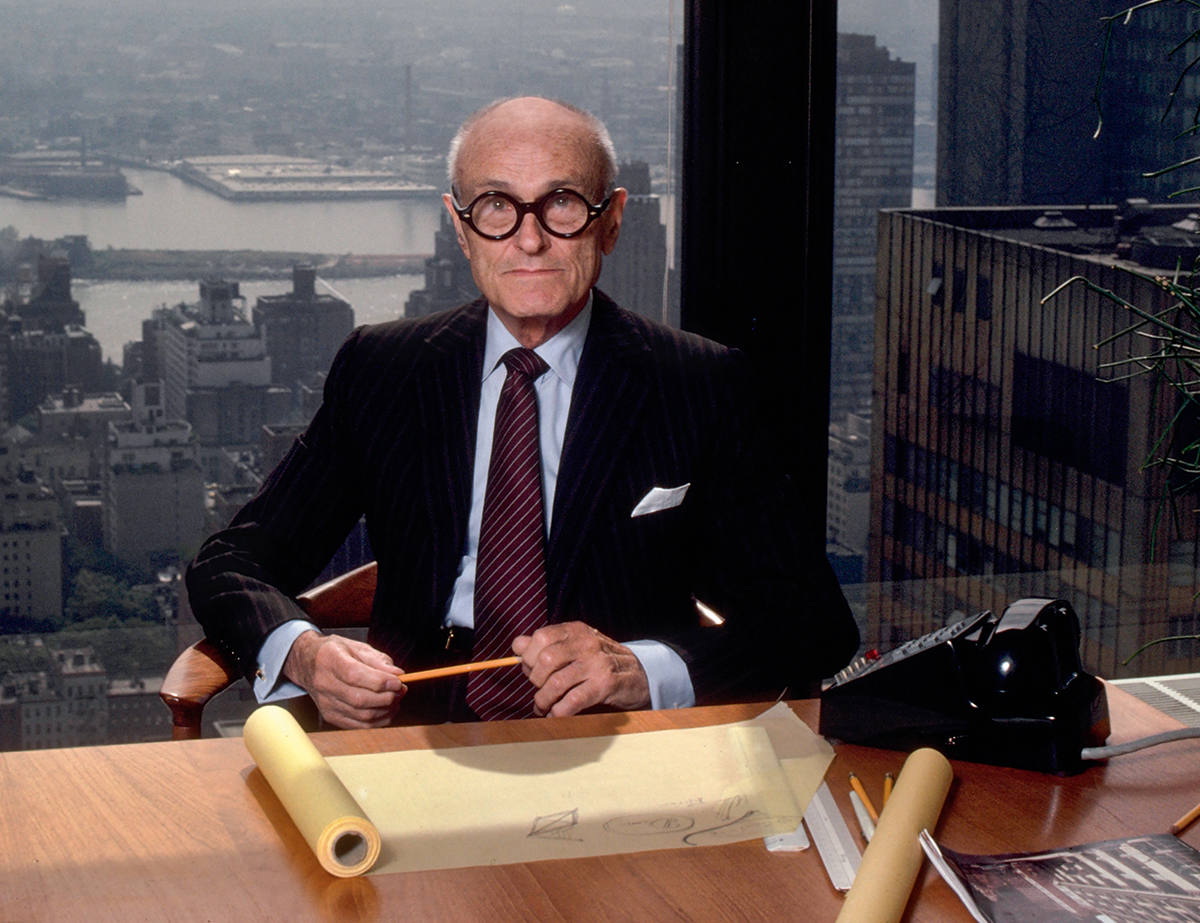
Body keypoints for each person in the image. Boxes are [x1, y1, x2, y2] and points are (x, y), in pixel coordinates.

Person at [185, 96, 858, 728]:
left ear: (612, 218)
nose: (528, 240)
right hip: (411, 728)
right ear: (460, 226)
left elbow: (812, 623)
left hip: (618, 736)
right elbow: (231, 562)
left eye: (561, 204)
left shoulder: (698, 382)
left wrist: (644, 670)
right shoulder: (384, 370)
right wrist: (303, 652)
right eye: (496, 206)